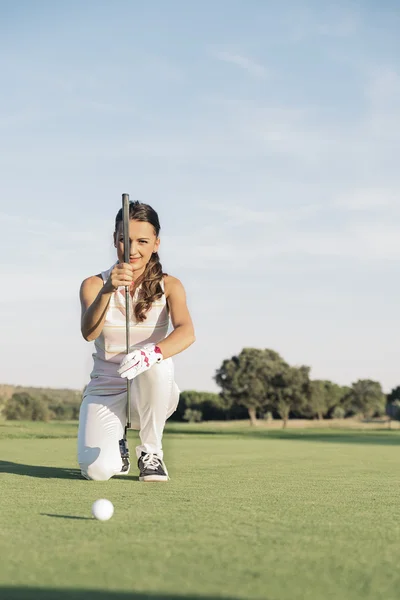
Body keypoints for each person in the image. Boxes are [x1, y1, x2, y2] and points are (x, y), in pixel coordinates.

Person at [77, 201, 195, 482]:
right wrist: (109, 289)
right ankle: (118, 448)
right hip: (106, 391)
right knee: (97, 472)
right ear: (114, 241)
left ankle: (151, 453)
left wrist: (151, 352)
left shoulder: (171, 285)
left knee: (156, 362)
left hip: (152, 393)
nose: (132, 250)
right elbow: (89, 332)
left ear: (156, 243)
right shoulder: (94, 284)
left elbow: (187, 331)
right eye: (124, 240)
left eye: (142, 241)